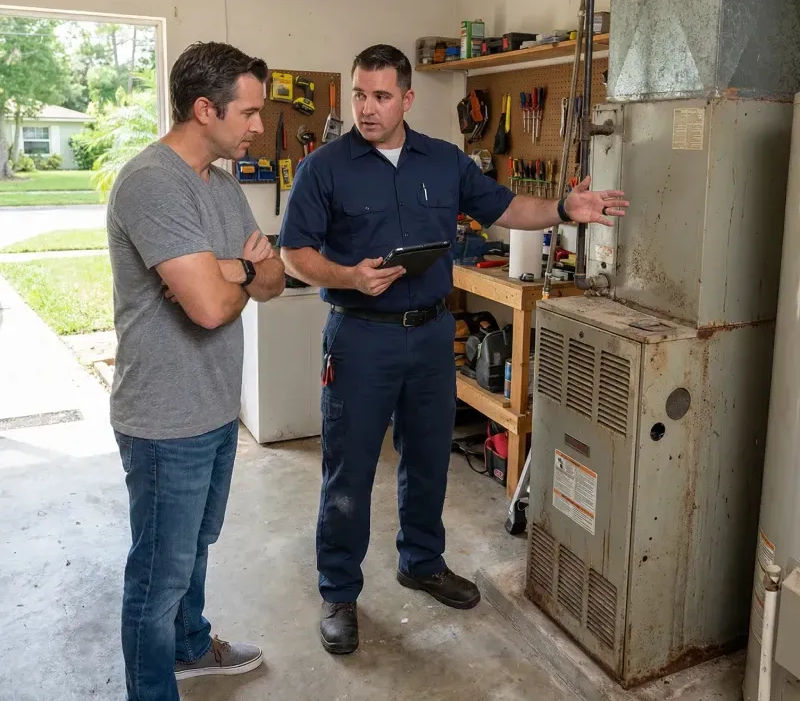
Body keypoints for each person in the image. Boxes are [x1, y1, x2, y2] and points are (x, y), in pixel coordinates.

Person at [278, 43, 628, 655]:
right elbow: (294, 254)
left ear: (408, 99)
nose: (367, 108)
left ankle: (421, 560)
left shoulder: (443, 162)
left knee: (430, 456)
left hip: (434, 332)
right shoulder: (324, 168)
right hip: (361, 336)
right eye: (360, 94)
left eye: (381, 96)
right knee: (350, 468)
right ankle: (339, 589)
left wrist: (565, 209)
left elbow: (504, 205)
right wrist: (349, 276)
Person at [107, 41, 285, 700]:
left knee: (196, 548)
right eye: (249, 112)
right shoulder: (153, 181)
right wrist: (234, 270)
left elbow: (273, 278)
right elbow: (211, 307)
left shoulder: (223, 184)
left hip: (213, 408)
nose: (258, 126)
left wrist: (230, 270)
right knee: (157, 575)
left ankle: (190, 647)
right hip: (164, 419)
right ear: (205, 109)